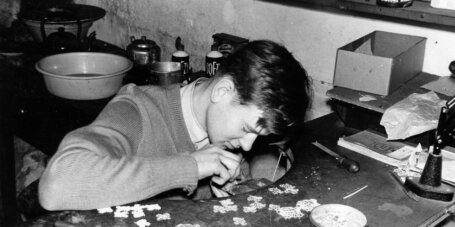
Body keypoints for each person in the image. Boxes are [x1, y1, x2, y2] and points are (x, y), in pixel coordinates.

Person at [38, 40, 311, 210]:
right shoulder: (135, 110)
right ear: (222, 91)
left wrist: (231, 194)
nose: (247, 145)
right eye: (247, 129)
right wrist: (190, 166)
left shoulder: (223, 128)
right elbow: (56, 186)